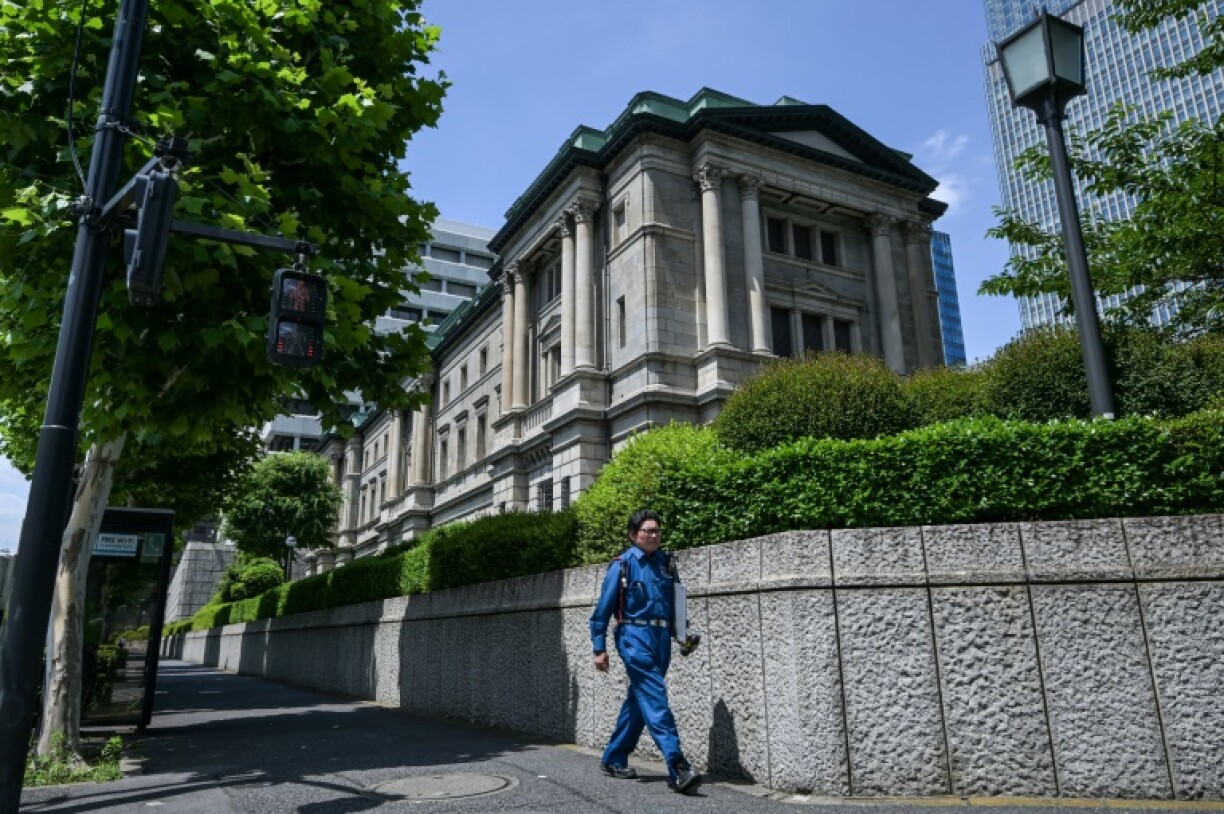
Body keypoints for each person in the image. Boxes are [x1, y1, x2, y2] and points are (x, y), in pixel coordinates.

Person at [589, 508, 702, 794]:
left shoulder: (667, 564)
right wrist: (599, 647)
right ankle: (678, 766)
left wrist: (683, 634)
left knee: (640, 701)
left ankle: (613, 757)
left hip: (661, 637)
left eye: (656, 530)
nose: (653, 535)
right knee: (656, 699)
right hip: (633, 636)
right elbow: (602, 611)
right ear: (633, 535)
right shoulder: (622, 565)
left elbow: (676, 604)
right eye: (647, 530)